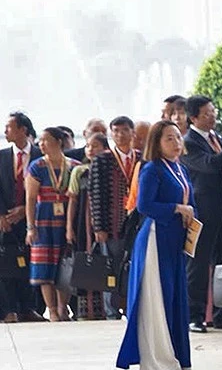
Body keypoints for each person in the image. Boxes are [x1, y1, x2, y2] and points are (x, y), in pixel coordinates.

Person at [116, 122, 194, 370]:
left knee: (175, 297)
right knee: (157, 298)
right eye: (169, 139)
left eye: (177, 138)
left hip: (175, 241)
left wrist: (189, 217)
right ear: (157, 143)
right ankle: (157, 362)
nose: (176, 143)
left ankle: (177, 356)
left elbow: (189, 203)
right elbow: (145, 204)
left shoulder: (179, 169)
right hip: (155, 239)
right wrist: (176, 209)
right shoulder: (152, 169)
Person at [180, 95, 222, 333]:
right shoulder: (188, 142)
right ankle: (194, 315)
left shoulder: (218, 137)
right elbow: (209, 164)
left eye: (213, 111)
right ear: (193, 118)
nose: (213, 116)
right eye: (207, 113)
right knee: (198, 264)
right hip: (202, 210)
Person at [25, 126, 76, 320]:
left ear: (58, 141)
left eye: (46, 140)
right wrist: (31, 227)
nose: (41, 144)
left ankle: (63, 307)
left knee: (64, 265)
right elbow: (30, 199)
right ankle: (52, 309)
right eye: (41, 140)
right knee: (45, 265)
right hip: (43, 221)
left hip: (65, 223)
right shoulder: (37, 166)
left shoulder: (73, 166)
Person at [92, 116, 139, 317]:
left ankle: (131, 306)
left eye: (124, 130)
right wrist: (99, 227)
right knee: (111, 266)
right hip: (112, 223)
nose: (120, 135)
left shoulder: (141, 158)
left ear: (132, 133)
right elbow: (96, 195)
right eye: (116, 131)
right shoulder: (103, 159)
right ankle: (111, 310)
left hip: (136, 222)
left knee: (133, 266)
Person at [65, 132, 111, 319]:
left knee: (106, 263)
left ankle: (107, 309)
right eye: (88, 146)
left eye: (96, 146)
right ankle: (85, 311)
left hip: (104, 223)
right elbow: (73, 201)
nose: (91, 149)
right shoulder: (79, 170)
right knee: (86, 262)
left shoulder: (110, 169)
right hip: (83, 224)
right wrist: (69, 227)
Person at [0, 112, 32, 321]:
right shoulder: (1, 156)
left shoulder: (39, 155)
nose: (5, 131)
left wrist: (25, 209)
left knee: (30, 265)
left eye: (9, 127)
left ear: (23, 130)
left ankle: (28, 308)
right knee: (5, 265)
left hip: (31, 220)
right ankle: (8, 310)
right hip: (5, 222)